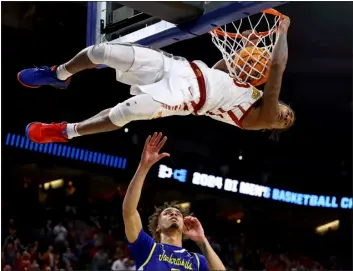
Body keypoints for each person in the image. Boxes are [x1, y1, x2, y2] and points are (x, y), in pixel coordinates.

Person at [18, 17, 294, 144]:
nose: (284, 118)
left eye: (286, 123)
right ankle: (59, 74)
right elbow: (219, 72)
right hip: (182, 69)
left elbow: (278, 70)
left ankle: (66, 131)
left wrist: (281, 33)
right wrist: (245, 47)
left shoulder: (263, 117)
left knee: (127, 111)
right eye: (289, 114)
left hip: (185, 99)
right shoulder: (248, 92)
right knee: (102, 51)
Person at [122, 132, 225, 270]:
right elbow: (129, 211)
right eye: (167, 213)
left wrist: (202, 241)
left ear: (183, 227)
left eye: (178, 214)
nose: (174, 214)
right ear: (157, 226)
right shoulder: (147, 248)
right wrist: (144, 167)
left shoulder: (197, 260)